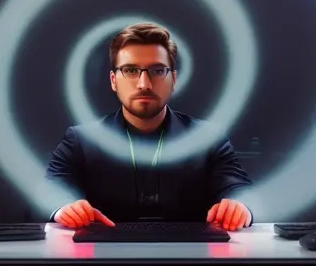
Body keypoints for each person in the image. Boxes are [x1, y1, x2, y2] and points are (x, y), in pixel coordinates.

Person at [46, 23, 253, 231]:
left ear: (173, 79)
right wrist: (63, 208)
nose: (144, 84)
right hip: (104, 261)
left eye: (157, 70)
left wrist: (239, 206)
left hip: (190, 260)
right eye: (131, 70)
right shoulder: (82, 140)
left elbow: (239, 190)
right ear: (113, 80)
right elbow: (49, 193)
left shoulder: (207, 139)